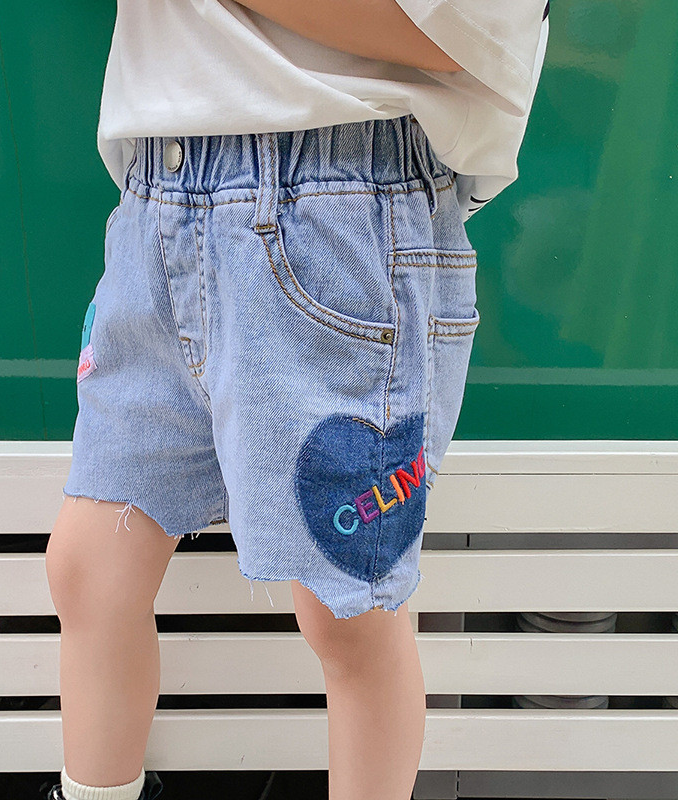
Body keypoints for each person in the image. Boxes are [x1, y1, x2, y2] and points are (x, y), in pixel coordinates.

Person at [44, 2, 550, 799]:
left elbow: (459, 36)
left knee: (349, 610)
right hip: (156, 199)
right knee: (89, 568)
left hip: (338, 205)